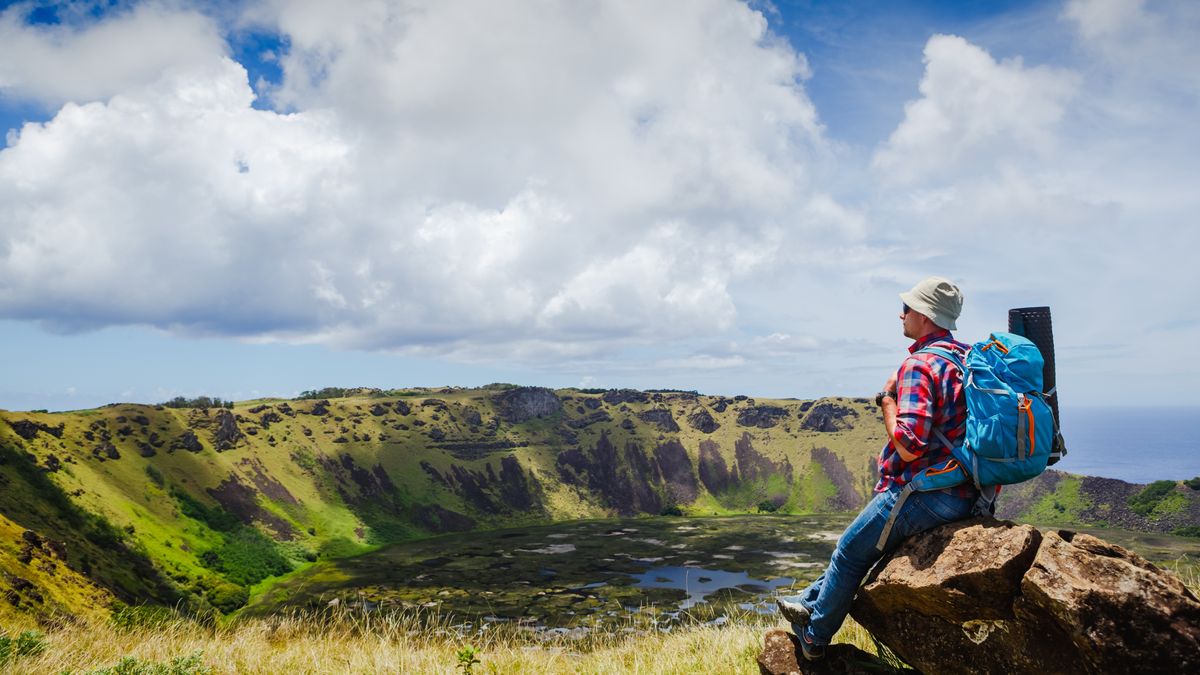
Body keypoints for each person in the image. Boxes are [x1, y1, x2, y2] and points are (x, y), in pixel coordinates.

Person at [776, 276, 978, 661]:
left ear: (924, 315)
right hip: (969, 490)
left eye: (907, 308)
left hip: (927, 492)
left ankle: (813, 637)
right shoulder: (965, 358)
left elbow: (908, 443)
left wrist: (886, 399)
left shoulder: (920, 364)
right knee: (860, 551)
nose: (900, 314)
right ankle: (806, 601)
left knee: (849, 552)